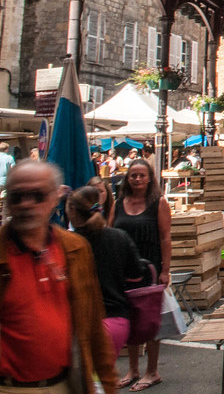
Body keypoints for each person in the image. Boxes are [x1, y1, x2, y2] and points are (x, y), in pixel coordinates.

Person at [0, 161, 119, 394]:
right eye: (17, 196)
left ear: (56, 198)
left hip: (66, 385)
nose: (26, 204)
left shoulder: (75, 248)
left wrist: (107, 383)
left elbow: (93, 324)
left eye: (37, 195)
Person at [110, 158, 172, 391]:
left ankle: (152, 371)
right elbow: (110, 232)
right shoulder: (118, 203)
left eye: (141, 175)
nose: (137, 179)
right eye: (133, 175)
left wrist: (165, 270)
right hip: (122, 269)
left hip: (149, 269)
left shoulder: (158, 202)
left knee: (149, 319)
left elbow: (166, 237)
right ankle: (133, 369)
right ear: (127, 178)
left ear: (149, 178)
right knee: (129, 318)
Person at [66, 185, 146, 357]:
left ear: (72, 210)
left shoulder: (70, 244)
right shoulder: (119, 237)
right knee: (102, 380)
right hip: (118, 322)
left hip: (83, 324)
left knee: (88, 381)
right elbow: (136, 274)